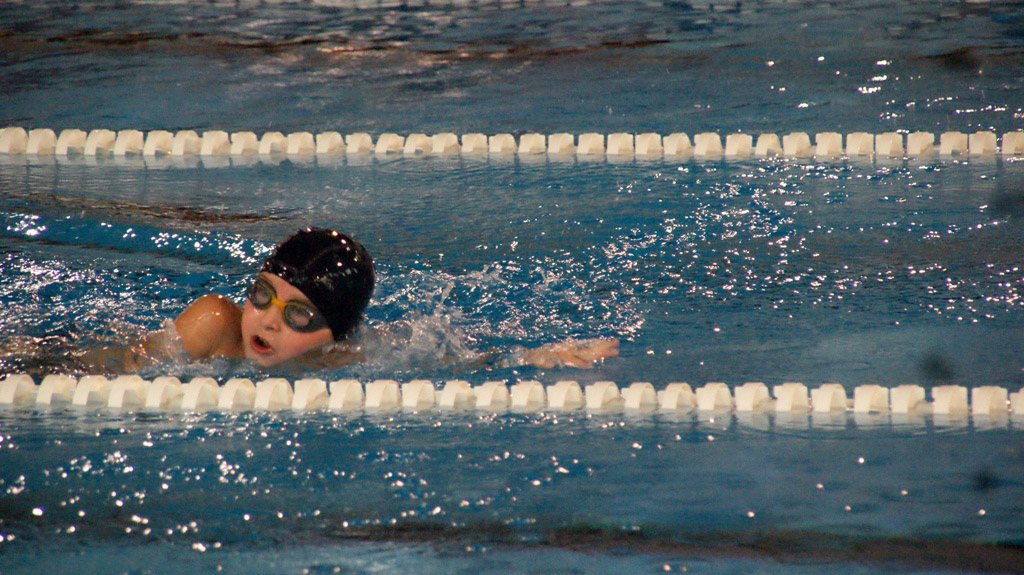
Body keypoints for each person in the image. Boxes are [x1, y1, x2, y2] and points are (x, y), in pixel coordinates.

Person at [107, 227, 618, 372]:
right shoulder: (214, 323)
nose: (267, 321)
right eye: (263, 296)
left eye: (299, 315)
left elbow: (444, 361)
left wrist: (530, 357)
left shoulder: (339, 357)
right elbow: (121, 369)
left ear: (335, 332)